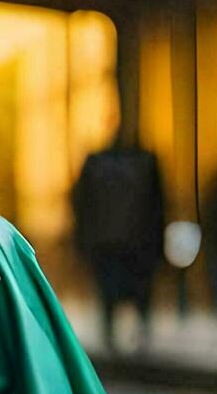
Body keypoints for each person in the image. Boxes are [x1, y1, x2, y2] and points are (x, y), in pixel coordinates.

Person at [71, 143, 165, 351]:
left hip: (109, 243)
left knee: (110, 294)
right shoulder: (145, 162)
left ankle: (114, 337)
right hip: (134, 243)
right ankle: (135, 336)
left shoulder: (96, 164)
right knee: (137, 293)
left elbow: (82, 206)